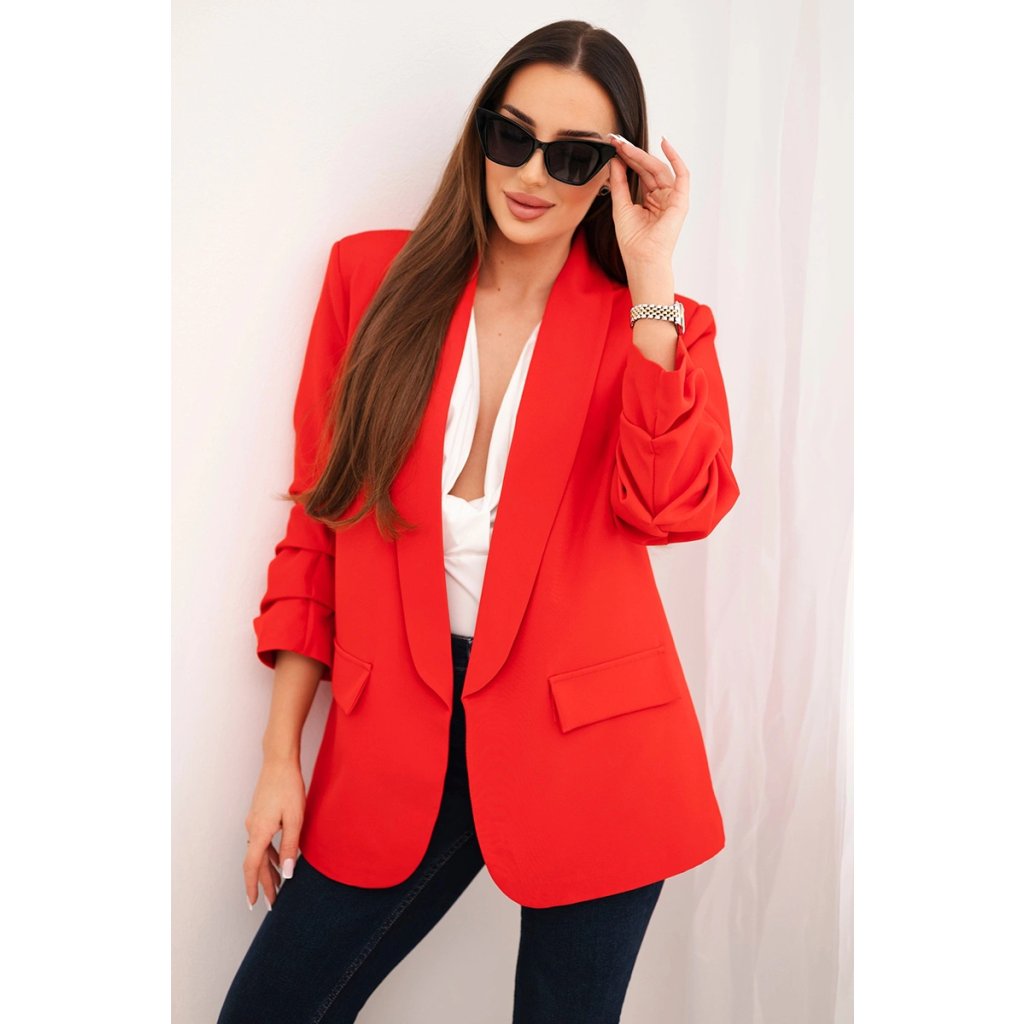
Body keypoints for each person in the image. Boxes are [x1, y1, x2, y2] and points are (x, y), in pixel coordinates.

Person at [218, 18, 740, 1024]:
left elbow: (671, 508)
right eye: (513, 136)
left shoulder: (657, 327)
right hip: (396, 736)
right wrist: (282, 755)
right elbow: (319, 527)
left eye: (573, 155)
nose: (533, 173)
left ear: (613, 173)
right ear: (480, 133)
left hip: (597, 749)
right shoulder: (370, 283)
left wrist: (652, 279)